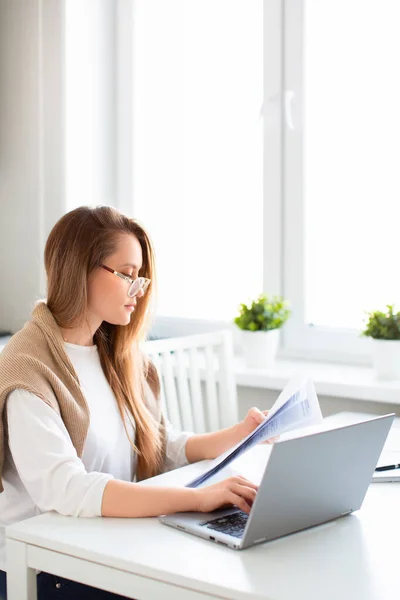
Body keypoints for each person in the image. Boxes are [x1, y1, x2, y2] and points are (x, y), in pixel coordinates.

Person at [0, 206, 270, 599]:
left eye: (140, 277)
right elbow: (67, 489)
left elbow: (159, 447)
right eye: (127, 274)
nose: (138, 290)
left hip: (108, 548)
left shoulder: (118, 355)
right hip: (45, 568)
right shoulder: (27, 370)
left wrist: (243, 435)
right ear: (79, 270)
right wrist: (196, 498)